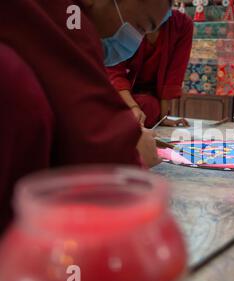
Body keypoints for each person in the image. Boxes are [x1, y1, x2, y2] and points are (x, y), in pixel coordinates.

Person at [0, 0, 172, 233]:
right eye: (140, 28)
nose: (135, 41)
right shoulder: (67, 19)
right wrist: (133, 151)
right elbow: (98, 147)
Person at [106, 7, 193, 128]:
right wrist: (133, 107)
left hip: (149, 100)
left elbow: (174, 75)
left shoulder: (182, 24)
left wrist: (163, 118)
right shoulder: (123, 19)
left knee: (149, 107)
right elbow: (114, 72)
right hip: (119, 94)